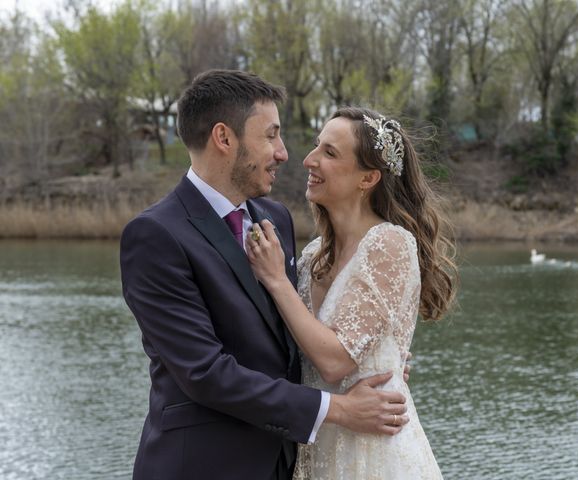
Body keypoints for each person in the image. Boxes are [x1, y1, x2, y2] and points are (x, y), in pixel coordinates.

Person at [120, 70, 410, 480]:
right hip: (203, 467)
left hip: (288, 464)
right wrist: (340, 409)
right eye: (271, 135)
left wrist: (377, 357)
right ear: (224, 138)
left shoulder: (275, 218)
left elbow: (291, 335)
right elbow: (205, 372)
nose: (284, 153)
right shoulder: (155, 235)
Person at [247, 106, 457, 479]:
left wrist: (276, 280)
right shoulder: (312, 256)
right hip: (315, 449)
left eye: (330, 153)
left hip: (374, 452)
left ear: (368, 178)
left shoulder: (390, 244)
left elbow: (334, 362)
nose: (309, 160)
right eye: (316, 147)